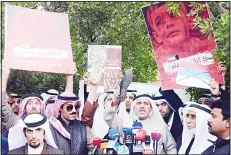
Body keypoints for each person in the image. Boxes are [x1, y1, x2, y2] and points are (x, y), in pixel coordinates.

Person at [104, 93, 177, 154]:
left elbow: (171, 149)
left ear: (151, 108)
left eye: (146, 103)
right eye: (139, 103)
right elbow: (109, 118)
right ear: (134, 107)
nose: (142, 106)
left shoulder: (160, 126)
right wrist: (114, 104)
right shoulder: (126, 124)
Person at [46, 73, 99, 154]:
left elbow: (94, 150)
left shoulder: (84, 129)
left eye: (76, 107)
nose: (74, 110)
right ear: (60, 108)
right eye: (69, 107)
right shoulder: (50, 127)